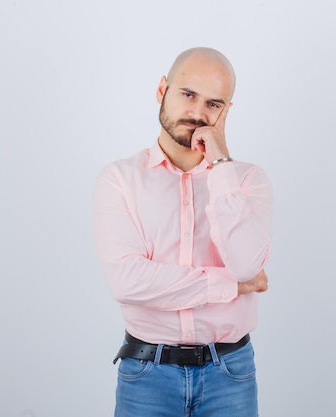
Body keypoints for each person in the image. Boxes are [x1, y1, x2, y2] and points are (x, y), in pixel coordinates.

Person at [93, 46, 273, 417]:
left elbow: (245, 264)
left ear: (226, 112)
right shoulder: (120, 180)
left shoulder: (247, 181)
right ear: (162, 90)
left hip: (230, 374)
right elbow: (127, 282)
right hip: (147, 374)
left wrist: (220, 164)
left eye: (213, 103)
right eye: (188, 94)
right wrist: (231, 287)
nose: (197, 113)